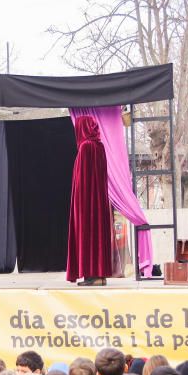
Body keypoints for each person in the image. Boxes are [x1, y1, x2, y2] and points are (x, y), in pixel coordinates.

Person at [65, 115, 113, 286]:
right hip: (99, 203)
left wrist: (79, 204)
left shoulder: (85, 147)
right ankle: (99, 275)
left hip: (86, 204)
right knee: (98, 236)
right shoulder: (99, 147)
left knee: (87, 235)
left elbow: (82, 182)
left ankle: (93, 276)